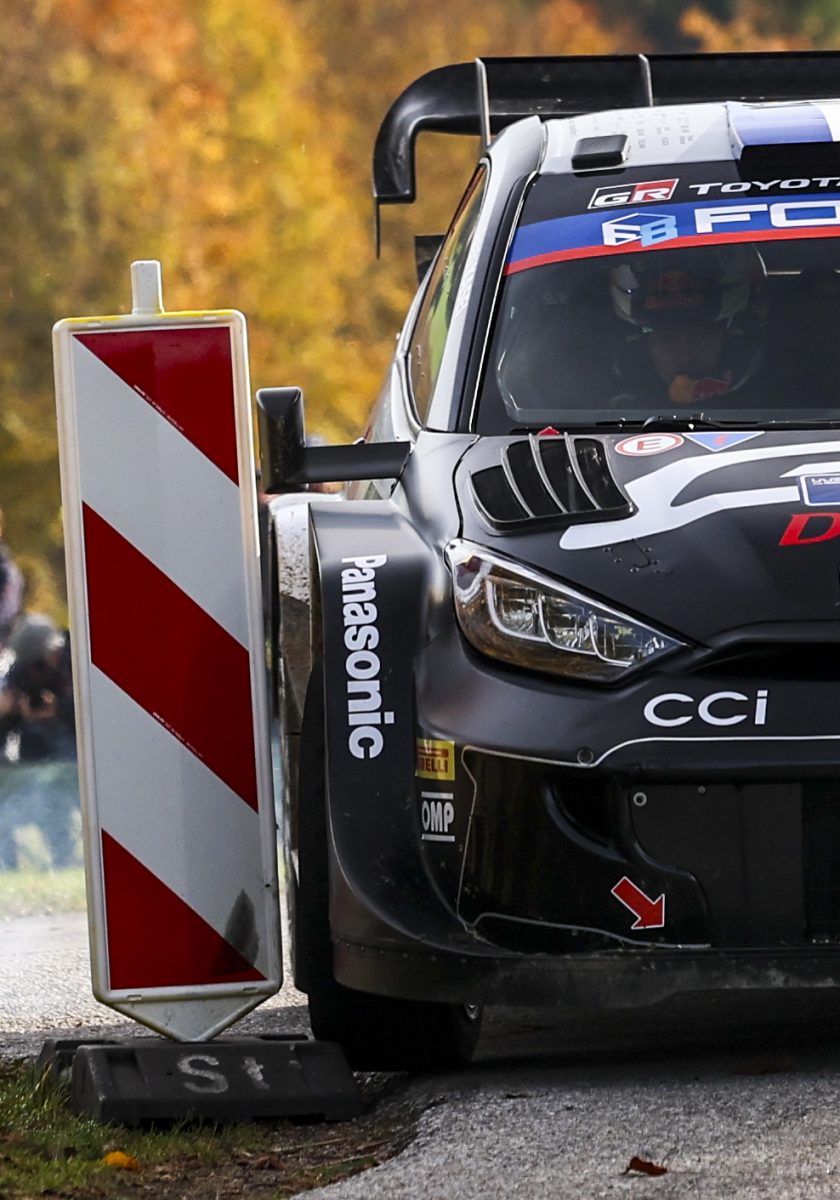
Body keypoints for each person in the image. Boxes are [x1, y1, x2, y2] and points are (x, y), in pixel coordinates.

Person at [609, 244, 768, 407]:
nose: (684, 357)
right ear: (642, 344)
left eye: (701, 336)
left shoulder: (772, 405)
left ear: (732, 338)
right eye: (666, 338)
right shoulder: (612, 408)